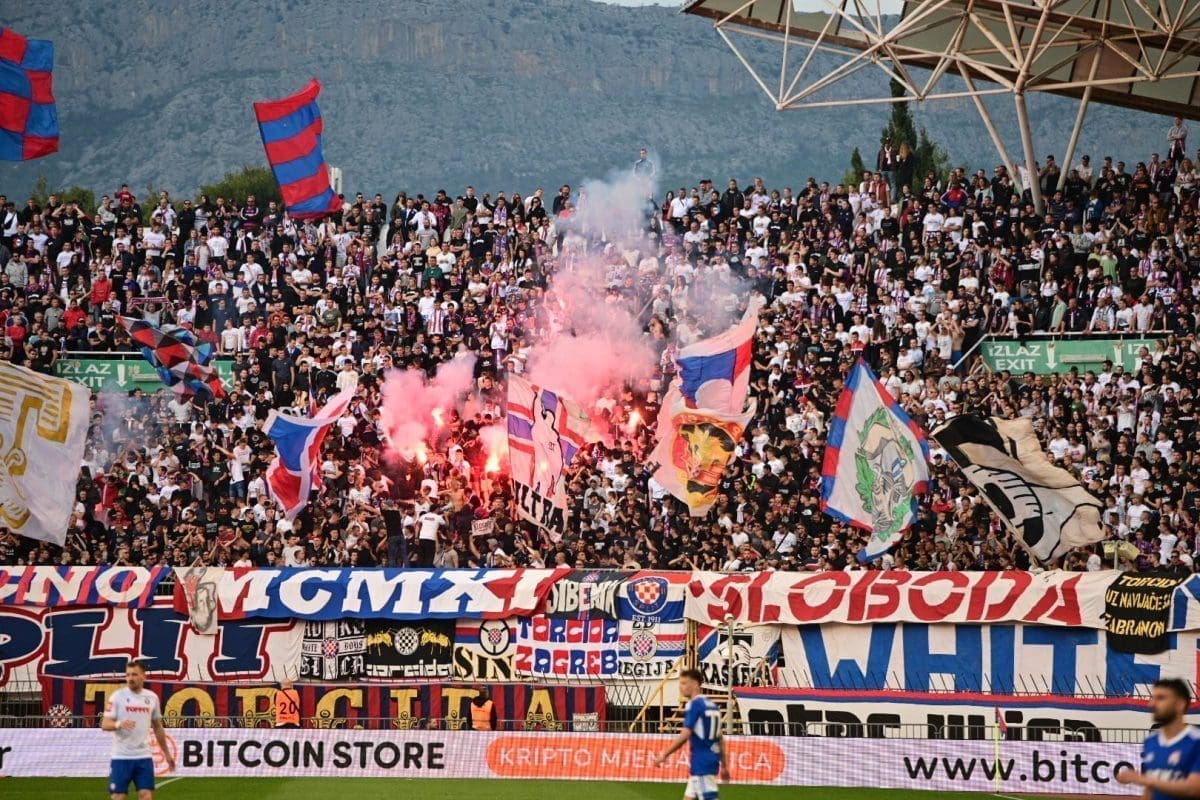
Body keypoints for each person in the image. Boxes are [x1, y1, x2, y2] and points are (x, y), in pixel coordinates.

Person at [100, 661, 174, 800]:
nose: (130, 678)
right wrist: (118, 724)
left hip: (144, 757)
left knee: (145, 795)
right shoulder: (117, 697)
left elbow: (158, 727)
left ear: (143, 676)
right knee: (118, 796)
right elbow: (105, 724)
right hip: (121, 756)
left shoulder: (152, 698)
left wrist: (167, 754)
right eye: (127, 674)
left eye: (134, 674)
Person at [1117, 678, 1200, 798]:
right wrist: (1147, 784)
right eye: (1153, 698)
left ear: (1180, 704)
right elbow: (1149, 790)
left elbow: (1194, 788)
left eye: (1161, 698)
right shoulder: (1151, 741)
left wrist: (1144, 780)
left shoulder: (1196, 741)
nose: (1152, 704)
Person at [654, 668, 730, 799]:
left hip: (701, 763)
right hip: (709, 761)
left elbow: (685, 734)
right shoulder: (713, 705)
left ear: (695, 684)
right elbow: (720, 738)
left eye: (684, 683)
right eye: (680, 684)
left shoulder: (694, 705)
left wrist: (665, 754)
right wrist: (724, 765)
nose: (681, 687)